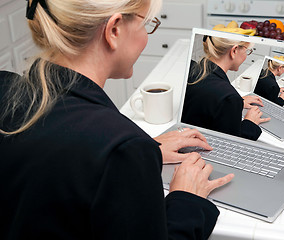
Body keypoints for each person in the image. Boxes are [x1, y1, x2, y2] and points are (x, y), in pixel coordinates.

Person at [0, 0, 234, 239]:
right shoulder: (122, 148)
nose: (146, 36)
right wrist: (188, 199)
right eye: (146, 25)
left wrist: (139, 153)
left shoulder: (4, 86)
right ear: (114, 30)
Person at [181, 36, 270, 141]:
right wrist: (250, 122)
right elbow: (232, 146)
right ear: (234, 51)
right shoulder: (229, 97)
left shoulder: (191, 67)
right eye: (247, 51)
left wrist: (236, 103)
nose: (246, 55)